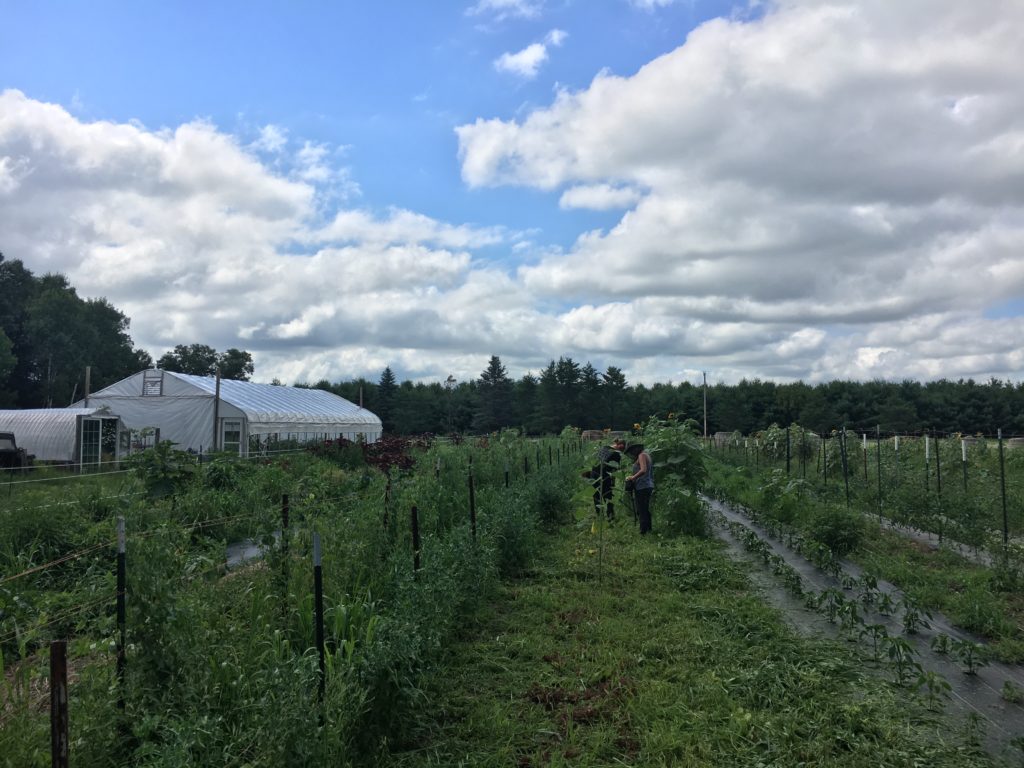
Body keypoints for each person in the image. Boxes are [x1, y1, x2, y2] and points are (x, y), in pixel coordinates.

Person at [582, 438, 624, 521]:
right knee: (608, 496)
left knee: (596, 496)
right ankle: (610, 516)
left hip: (594, 475)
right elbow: (614, 469)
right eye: (622, 449)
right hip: (605, 476)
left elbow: (596, 462)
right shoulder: (616, 454)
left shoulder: (603, 448)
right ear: (619, 446)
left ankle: (600, 516)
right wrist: (613, 482)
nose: (622, 451)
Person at [625, 443, 654, 534]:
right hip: (647, 485)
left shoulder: (641, 455)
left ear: (636, 449)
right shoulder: (646, 455)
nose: (632, 453)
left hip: (643, 486)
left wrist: (633, 477)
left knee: (641, 509)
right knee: (644, 508)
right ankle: (648, 528)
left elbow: (643, 470)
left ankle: (643, 531)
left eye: (632, 450)